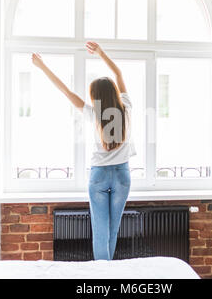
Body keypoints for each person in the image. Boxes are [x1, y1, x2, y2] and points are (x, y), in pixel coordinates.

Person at [31, 41, 135, 260]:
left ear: (95, 97)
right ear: (114, 93)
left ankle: (102, 277)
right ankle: (110, 277)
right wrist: (100, 53)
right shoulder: (126, 106)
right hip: (123, 175)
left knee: (100, 231)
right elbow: (118, 73)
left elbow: (65, 91)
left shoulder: (94, 114)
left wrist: (42, 67)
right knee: (113, 229)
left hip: (99, 175)